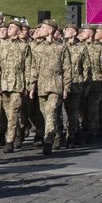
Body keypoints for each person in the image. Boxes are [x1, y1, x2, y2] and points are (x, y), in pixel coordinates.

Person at [29, 19, 72, 155]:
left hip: (56, 85)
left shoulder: (62, 47)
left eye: (43, 28)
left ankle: (48, 140)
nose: (40, 30)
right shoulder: (38, 47)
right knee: (45, 114)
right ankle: (57, 134)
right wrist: (32, 86)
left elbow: (67, 68)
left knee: (51, 111)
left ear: (51, 30)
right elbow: (34, 68)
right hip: (42, 85)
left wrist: (67, 87)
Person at [0, 20, 31, 153]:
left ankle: (9, 141)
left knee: (13, 113)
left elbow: (28, 67)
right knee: (8, 114)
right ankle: (18, 132)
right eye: (8, 27)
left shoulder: (24, 47)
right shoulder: (1, 46)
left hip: (18, 84)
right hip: (4, 84)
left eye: (12, 27)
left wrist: (28, 85)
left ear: (19, 31)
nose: (9, 29)